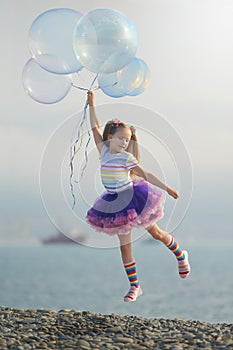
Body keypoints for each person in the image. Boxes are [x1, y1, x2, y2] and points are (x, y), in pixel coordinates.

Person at [86, 91, 190, 302]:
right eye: (121, 139)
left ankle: (181, 254)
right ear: (110, 138)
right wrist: (91, 104)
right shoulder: (104, 151)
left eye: (127, 139)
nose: (125, 143)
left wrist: (167, 187)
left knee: (157, 234)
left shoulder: (127, 157)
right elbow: (94, 127)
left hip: (135, 198)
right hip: (115, 203)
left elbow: (146, 174)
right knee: (125, 246)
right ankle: (135, 286)